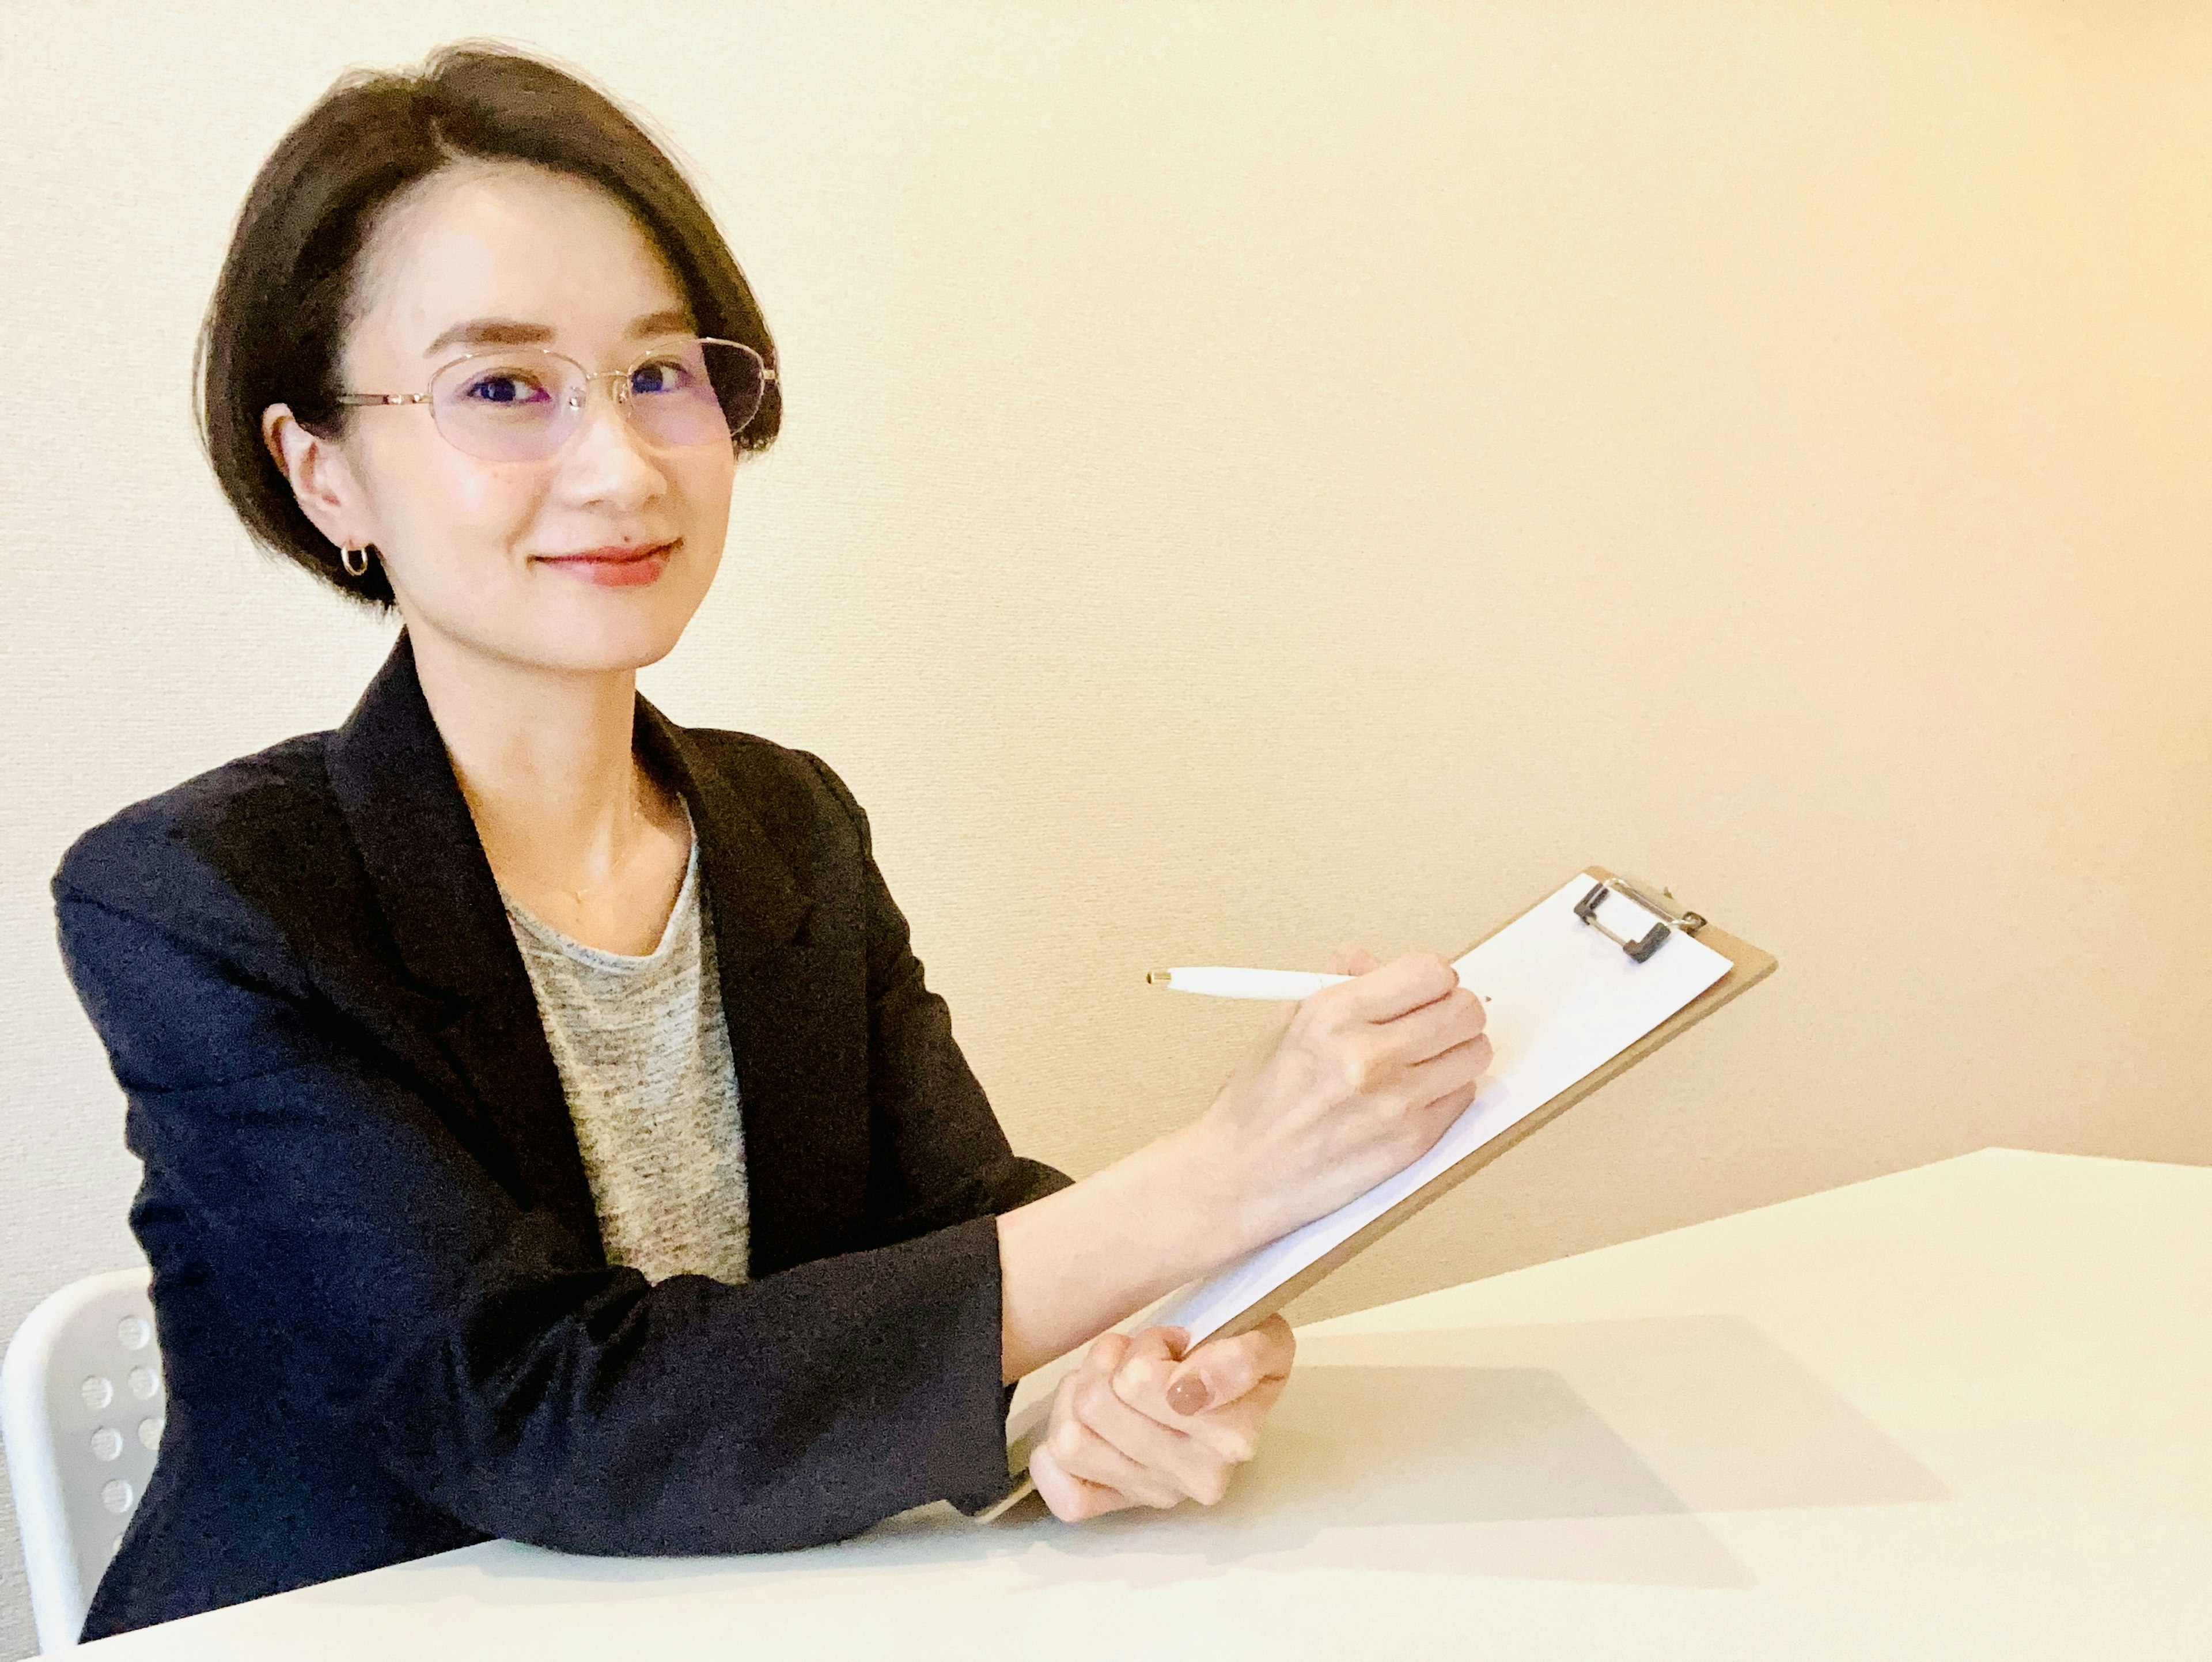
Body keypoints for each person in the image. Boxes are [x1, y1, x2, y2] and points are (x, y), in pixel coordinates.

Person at [49, 41, 1493, 1642]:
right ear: (324, 470)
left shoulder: (787, 823)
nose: (620, 464)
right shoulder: (203, 900)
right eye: (505, 389)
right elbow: (533, 1407)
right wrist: (1209, 1191)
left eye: (663, 373)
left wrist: (1126, 1370)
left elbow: (961, 1231)